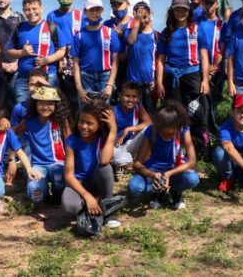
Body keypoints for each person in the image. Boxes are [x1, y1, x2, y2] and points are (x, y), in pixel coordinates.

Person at [155, 0, 211, 151]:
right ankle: (174, 146)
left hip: (192, 75)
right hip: (172, 77)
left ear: (189, 11)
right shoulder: (166, 33)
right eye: (177, 9)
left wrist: (205, 80)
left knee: (196, 110)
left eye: (184, 9)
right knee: (173, 112)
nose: (180, 12)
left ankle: (199, 146)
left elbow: (204, 56)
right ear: (172, 12)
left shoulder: (197, 30)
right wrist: (159, 82)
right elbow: (160, 60)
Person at [128, 101, 200, 209]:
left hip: (174, 170)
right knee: (134, 187)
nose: (166, 137)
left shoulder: (184, 131)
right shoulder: (151, 130)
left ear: (177, 127)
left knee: (192, 178)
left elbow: (192, 161)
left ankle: (175, 190)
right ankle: (156, 192)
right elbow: (137, 164)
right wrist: (151, 175)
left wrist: (169, 174)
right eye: (162, 133)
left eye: (170, 134)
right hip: (153, 170)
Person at [61, 100, 120, 228]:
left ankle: (108, 209)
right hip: (79, 182)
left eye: (89, 123)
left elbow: (104, 161)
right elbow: (69, 175)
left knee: (106, 169)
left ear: (100, 124)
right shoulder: (72, 140)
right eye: (81, 121)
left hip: (96, 180)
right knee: (69, 206)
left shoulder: (103, 138)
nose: (83, 126)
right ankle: (89, 208)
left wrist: (113, 130)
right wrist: (86, 196)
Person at [13, 86, 72, 205]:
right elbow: (13, 133)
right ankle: (44, 194)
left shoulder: (61, 120)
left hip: (58, 163)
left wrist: (70, 165)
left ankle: (57, 195)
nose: (45, 107)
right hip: (38, 165)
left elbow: (70, 144)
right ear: (35, 104)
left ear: (56, 105)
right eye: (41, 103)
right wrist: (2, 124)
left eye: (50, 103)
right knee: (36, 195)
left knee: (58, 181)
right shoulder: (29, 120)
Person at [6, 0, 70, 100]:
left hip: (48, 77)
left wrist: (47, 60)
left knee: (47, 109)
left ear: (41, 8)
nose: (31, 12)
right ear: (23, 10)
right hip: (24, 79)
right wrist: (22, 53)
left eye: (34, 8)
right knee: (24, 111)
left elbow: (62, 50)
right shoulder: (20, 28)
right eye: (27, 10)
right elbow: (10, 51)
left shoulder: (51, 27)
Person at [72, 0, 120, 104]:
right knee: (86, 109)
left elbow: (115, 60)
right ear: (85, 11)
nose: (95, 12)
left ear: (102, 11)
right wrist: (79, 88)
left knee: (103, 110)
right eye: (91, 9)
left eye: (98, 9)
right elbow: (75, 63)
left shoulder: (110, 33)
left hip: (105, 76)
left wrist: (110, 84)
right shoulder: (79, 35)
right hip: (85, 76)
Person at [47, 0, 83, 105]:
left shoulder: (79, 15)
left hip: (75, 55)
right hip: (59, 54)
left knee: (75, 91)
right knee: (63, 91)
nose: (65, 1)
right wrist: (59, 59)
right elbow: (51, 39)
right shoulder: (52, 16)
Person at [124, 2, 159, 113]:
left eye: (145, 17)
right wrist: (137, 21)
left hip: (149, 81)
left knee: (150, 113)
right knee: (135, 113)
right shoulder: (129, 32)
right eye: (139, 17)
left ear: (150, 16)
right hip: (133, 81)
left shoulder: (156, 35)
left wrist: (156, 80)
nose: (142, 20)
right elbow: (130, 41)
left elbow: (159, 59)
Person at [111, 81, 153, 169]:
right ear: (120, 96)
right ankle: (118, 162)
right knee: (125, 163)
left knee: (151, 129)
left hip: (130, 142)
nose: (130, 100)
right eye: (127, 96)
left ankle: (142, 163)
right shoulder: (113, 110)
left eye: (134, 97)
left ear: (138, 98)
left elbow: (149, 122)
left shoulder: (137, 106)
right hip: (116, 145)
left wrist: (129, 129)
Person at [198, 0, 226, 104]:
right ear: (203, 3)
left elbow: (222, 49)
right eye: (206, 2)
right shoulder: (196, 23)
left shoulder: (222, 25)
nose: (209, 5)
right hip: (199, 68)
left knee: (213, 101)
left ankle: (213, 121)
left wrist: (213, 67)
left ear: (217, 4)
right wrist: (205, 68)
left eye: (211, 3)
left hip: (216, 69)